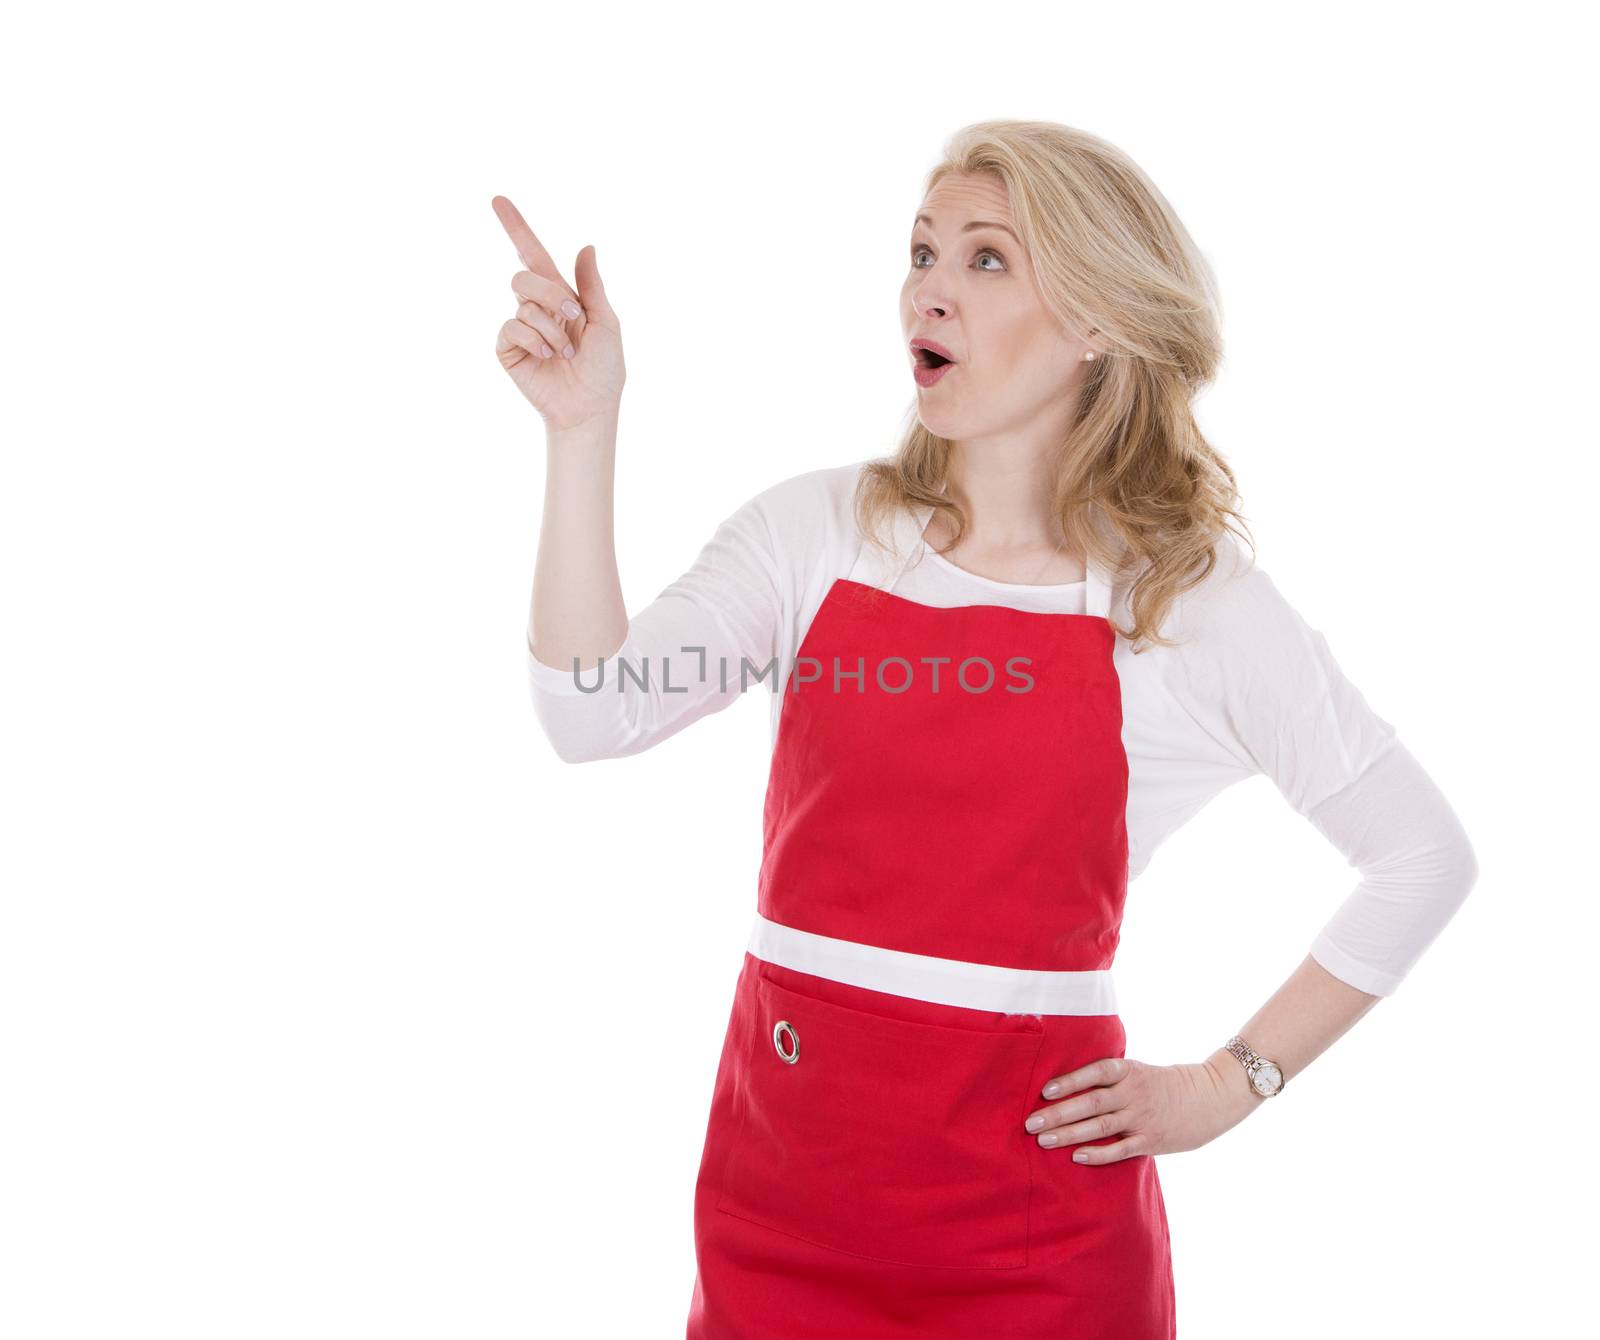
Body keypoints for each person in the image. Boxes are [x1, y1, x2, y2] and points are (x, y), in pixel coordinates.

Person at [493, 120, 1477, 1340]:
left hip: (1034, 1246)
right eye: (920, 252)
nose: (929, 287)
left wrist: (1228, 1085)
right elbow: (594, 711)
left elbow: (1422, 854)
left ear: (1099, 320)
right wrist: (582, 434)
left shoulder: (1183, 597)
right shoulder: (819, 534)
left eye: (986, 258)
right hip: (778, 1205)